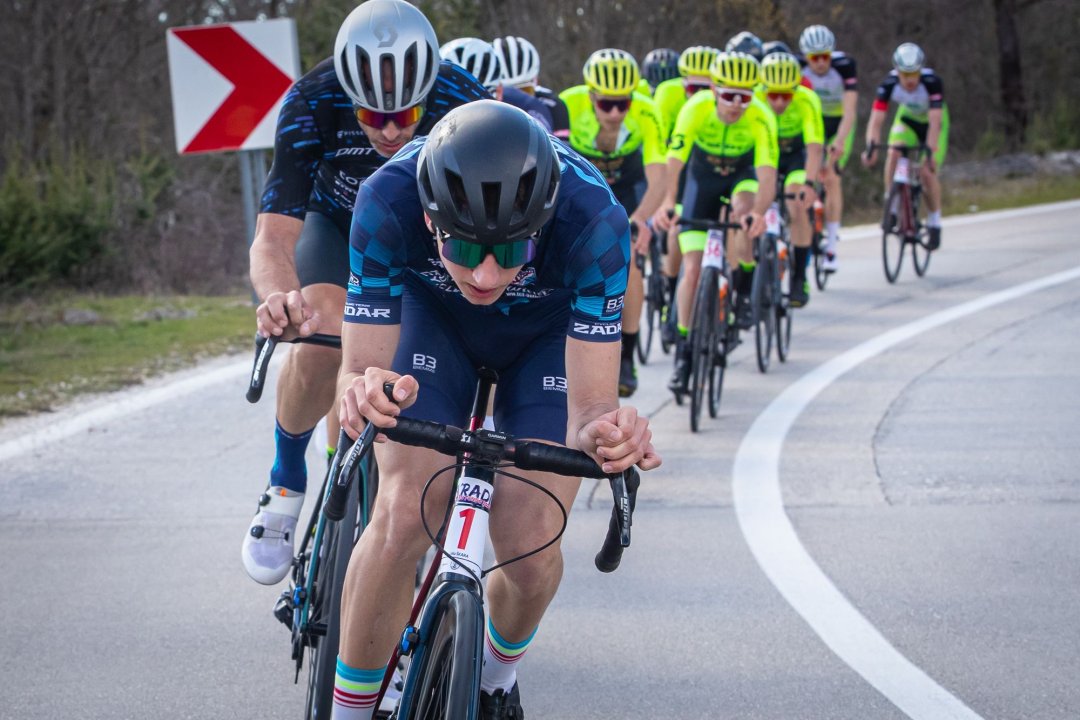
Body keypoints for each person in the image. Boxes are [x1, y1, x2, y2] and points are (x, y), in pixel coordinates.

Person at [333, 100, 661, 720]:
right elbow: (361, 370)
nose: (485, 273)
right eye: (464, 247)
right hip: (434, 323)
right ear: (431, 222)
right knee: (404, 512)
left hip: (545, 336)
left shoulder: (594, 220)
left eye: (510, 252)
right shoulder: (387, 199)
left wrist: (608, 434)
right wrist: (362, 389)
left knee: (533, 542)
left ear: (538, 227)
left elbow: (590, 408)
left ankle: (493, 679)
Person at [242, 0, 490, 586]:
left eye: (406, 114)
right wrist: (279, 296)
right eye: (370, 114)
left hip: (423, 237)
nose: (389, 129)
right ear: (345, 94)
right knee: (322, 327)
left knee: (423, 355)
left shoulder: (465, 100)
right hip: (335, 226)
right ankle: (285, 479)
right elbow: (273, 237)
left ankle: (368, 487)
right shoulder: (310, 101)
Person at [652, 51, 778, 394]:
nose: (737, 104)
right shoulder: (696, 109)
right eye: (728, 95)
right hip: (701, 180)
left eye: (745, 96)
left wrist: (759, 213)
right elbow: (674, 162)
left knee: (743, 209)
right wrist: (668, 202)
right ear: (714, 90)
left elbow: (767, 174)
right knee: (692, 268)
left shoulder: (762, 117)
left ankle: (740, 292)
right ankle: (683, 351)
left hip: (742, 178)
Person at [559, 49, 668, 397]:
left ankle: (627, 356)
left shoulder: (646, 113)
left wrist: (639, 220)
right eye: (607, 105)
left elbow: (659, 178)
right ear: (590, 96)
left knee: (629, 260)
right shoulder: (569, 105)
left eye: (624, 103)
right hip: (583, 180)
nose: (617, 113)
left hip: (629, 183)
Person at [650, 46, 719, 344]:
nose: (698, 94)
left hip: (703, 165)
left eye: (705, 88)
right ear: (682, 84)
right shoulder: (667, 94)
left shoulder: (714, 105)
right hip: (673, 160)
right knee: (675, 225)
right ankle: (671, 289)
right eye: (693, 87)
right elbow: (659, 143)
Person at [863, 42, 948, 250]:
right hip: (908, 120)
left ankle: (935, 222)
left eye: (914, 74)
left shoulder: (932, 82)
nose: (909, 79)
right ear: (897, 71)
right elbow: (876, 121)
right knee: (894, 152)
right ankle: (891, 208)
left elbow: (935, 122)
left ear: (920, 71)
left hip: (932, 122)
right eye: (904, 74)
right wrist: (871, 148)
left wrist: (930, 152)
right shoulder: (889, 84)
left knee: (927, 172)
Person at [756, 52, 825, 306]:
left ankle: (799, 277)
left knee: (796, 203)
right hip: (763, 155)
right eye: (773, 95)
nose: (779, 102)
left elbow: (815, 146)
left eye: (787, 95)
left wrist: (809, 184)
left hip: (795, 156)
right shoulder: (753, 99)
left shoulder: (808, 100)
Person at [798, 24, 858, 272]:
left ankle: (831, 245)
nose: (821, 63)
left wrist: (840, 141)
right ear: (805, 57)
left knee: (832, 178)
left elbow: (850, 111)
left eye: (825, 56)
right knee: (804, 175)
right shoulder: (797, 69)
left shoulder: (844, 66)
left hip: (837, 125)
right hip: (812, 125)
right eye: (815, 58)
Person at [440, 37, 554, 132]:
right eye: (455, 107)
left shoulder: (533, 106)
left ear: (500, 92)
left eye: (482, 103)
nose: (469, 115)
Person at [493, 35, 572, 140]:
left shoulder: (554, 106)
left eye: (524, 92)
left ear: (536, 81)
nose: (516, 102)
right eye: (506, 95)